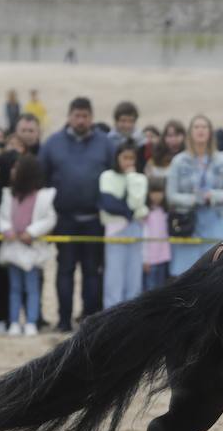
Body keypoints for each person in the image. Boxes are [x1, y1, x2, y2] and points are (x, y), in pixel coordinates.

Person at [39, 97, 115, 332]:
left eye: (85, 116)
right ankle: (63, 320)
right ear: (69, 116)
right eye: (77, 115)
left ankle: (89, 320)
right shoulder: (52, 143)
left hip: (95, 219)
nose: (81, 120)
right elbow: (42, 179)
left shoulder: (106, 144)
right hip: (64, 220)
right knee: (65, 270)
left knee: (92, 271)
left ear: (91, 117)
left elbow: (115, 176)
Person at [167, 115, 223, 276]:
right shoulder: (179, 161)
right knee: (187, 275)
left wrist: (211, 196)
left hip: (218, 221)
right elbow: (171, 195)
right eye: (196, 127)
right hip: (189, 224)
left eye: (204, 127)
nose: (200, 130)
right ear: (190, 133)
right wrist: (193, 199)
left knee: (217, 272)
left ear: (210, 132)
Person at [0, 154, 56, 336]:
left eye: (17, 168)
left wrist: (31, 232)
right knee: (14, 288)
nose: (13, 171)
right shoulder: (9, 194)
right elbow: (2, 216)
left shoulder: (43, 196)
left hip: (32, 249)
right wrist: (7, 230)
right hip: (13, 248)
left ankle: (31, 321)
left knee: (32, 288)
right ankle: (14, 322)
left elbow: (50, 218)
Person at [99, 143, 149, 308]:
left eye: (131, 158)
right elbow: (108, 204)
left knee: (133, 278)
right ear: (117, 158)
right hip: (115, 230)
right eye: (125, 157)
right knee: (114, 278)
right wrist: (132, 211)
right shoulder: (107, 176)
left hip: (135, 229)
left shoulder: (139, 178)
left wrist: (131, 177)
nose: (128, 161)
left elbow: (136, 202)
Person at [142, 178, 172, 291]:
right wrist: (145, 259)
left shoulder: (165, 211)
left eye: (159, 192)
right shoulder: (146, 212)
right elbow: (144, 237)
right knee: (150, 290)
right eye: (153, 192)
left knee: (161, 290)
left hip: (164, 258)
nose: (156, 195)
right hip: (151, 260)